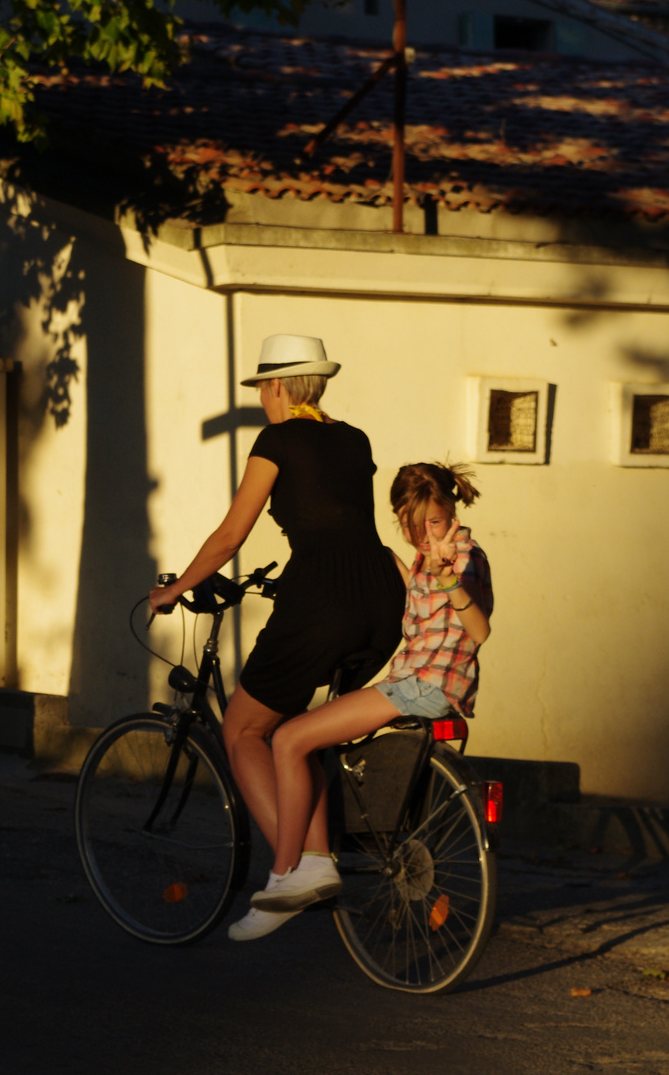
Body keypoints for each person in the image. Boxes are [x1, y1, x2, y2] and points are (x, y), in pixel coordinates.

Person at [148, 335, 405, 941]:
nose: (263, 398)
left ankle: (296, 867)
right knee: (302, 734)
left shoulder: (277, 439)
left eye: (264, 387)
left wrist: (175, 587)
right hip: (379, 602)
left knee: (243, 730)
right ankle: (314, 858)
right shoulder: (354, 438)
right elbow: (344, 521)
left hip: (321, 603)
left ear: (280, 387)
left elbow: (231, 534)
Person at [243, 460, 492, 924]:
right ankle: (319, 858)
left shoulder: (462, 557)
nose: (424, 534)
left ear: (452, 511)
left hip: (423, 686)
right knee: (317, 745)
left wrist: (449, 580)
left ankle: (288, 874)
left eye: (434, 522)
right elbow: (402, 589)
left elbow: (478, 629)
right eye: (412, 525)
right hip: (414, 682)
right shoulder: (425, 558)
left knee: (288, 739)